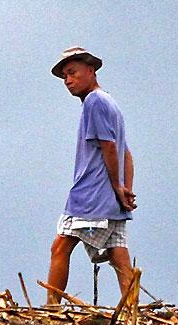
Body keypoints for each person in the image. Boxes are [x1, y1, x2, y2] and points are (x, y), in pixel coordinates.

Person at [46, 46, 136, 305]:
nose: (68, 81)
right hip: (111, 198)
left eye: (72, 73)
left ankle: (51, 309)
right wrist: (124, 190)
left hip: (91, 195)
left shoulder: (94, 102)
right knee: (118, 254)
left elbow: (110, 147)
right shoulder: (110, 103)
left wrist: (118, 186)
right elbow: (126, 153)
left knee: (60, 246)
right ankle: (131, 310)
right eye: (65, 77)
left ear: (91, 70)